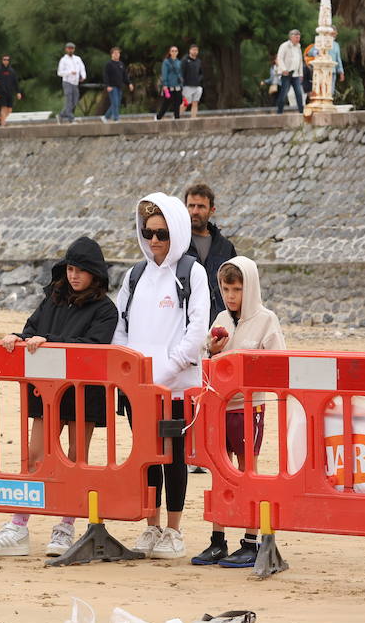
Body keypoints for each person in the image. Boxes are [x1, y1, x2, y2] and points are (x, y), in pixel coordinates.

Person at [0, 237, 118, 558]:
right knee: (34, 456)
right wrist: (18, 337)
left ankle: (65, 525)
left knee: (75, 458)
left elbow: (93, 345)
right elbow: (32, 328)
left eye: (81, 270)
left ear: (95, 273)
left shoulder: (106, 309)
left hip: (84, 393)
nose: (74, 275)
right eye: (70, 268)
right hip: (46, 390)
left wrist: (48, 340)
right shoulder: (52, 299)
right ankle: (19, 525)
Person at [112, 194, 210, 560]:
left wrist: (162, 375)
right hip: (139, 388)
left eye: (162, 233)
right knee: (147, 458)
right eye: (148, 232)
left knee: (176, 459)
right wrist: (133, 372)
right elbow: (120, 327)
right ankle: (150, 526)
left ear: (177, 232)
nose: (154, 240)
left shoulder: (192, 273)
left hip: (176, 388)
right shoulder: (134, 275)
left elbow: (196, 332)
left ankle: (174, 529)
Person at [192, 256, 284, 568]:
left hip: (248, 408)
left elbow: (277, 362)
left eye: (237, 289)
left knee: (247, 471)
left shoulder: (266, 320)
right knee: (219, 471)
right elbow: (207, 360)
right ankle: (218, 539)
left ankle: (250, 539)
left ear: (250, 287)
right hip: (219, 407)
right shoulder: (220, 317)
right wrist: (212, 349)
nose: (231, 295)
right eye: (226, 288)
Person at [183, 183, 237, 323]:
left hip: (219, 323)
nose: (195, 211)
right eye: (191, 205)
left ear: (212, 210)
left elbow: (237, 286)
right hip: (185, 323)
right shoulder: (177, 245)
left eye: (201, 206)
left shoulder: (225, 247)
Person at [275, 29, 304, 114]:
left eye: (299, 37)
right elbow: (279, 58)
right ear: (291, 37)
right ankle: (279, 112)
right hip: (286, 74)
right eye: (296, 37)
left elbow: (300, 61)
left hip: (295, 74)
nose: (298, 39)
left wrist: (301, 73)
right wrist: (284, 69)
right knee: (283, 94)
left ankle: (301, 112)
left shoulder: (298, 47)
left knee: (299, 93)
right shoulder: (284, 46)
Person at [102, 47, 134, 122]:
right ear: (112, 54)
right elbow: (105, 75)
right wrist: (108, 85)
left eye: (118, 53)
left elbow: (125, 75)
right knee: (115, 102)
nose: (117, 55)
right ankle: (116, 118)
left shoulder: (121, 64)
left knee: (116, 103)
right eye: (115, 53)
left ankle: (106, 117)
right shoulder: (109, 64)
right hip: (112, 87)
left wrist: (129, 83)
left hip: (119, 86)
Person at [57, 42, 86, 123]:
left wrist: (83, 76)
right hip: (67, 82)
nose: (70, 50)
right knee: (69, 100)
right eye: (69, 48)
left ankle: (61, 114)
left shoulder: (77, 59)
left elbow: (82, 68)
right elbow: (59, 72)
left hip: (75, 82)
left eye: (72, 48)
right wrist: (69, 72)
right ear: (66, 49)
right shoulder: (63, 60)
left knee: (75, 100)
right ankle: (71, 118)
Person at [0, 55, 22, 126]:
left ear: (9, 61)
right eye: (4, 59)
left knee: (9, 110)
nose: (6, 61)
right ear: (2, 60)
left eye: (7, 60)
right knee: (3, 108)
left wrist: (18, 92)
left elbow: (16, 83)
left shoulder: (12, 71)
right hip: (1, 93)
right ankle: (3, 124)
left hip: (10, 93)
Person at [156, 46, 183, 120]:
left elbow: (180, 74)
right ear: (170, 52)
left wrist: (181, 84)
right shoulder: (166, 62)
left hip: (177, 85)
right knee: (166, 102)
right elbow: (164, 73)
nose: (174, 52)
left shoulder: (179, 62)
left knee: (177, 102)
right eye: (172, 51)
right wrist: (165, 84)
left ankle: (176, 117)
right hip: (169, 86)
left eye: (176, 51)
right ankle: (159, 117)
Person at [181, 45, 204, 116]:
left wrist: (198, 80)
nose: (195, 51)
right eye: (193, 50)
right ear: (190, 50)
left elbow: (201, 73)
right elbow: (181, 72)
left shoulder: (198, 61)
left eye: (196, 50)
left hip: (197, 86)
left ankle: (193, 119)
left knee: (195, 103)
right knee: (185, 103)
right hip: (187, 86)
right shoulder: (185, 60)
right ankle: (176, 118)